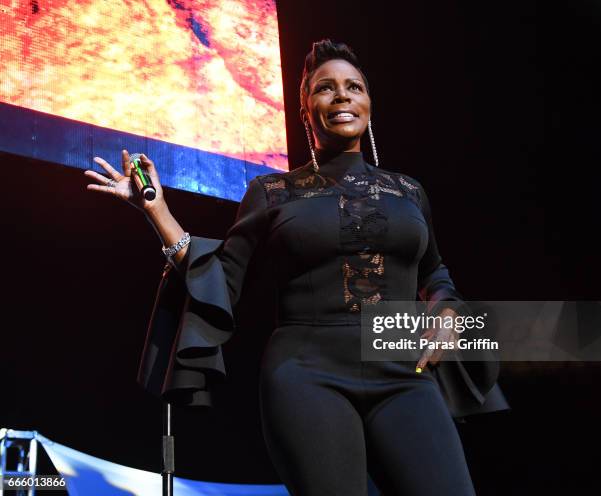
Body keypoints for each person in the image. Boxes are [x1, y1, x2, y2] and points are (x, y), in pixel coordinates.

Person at [85, 39, 509, 496]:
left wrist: (446, 313)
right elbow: (222, 280)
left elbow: (435, 273)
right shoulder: (272, 191)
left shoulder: (407, 191)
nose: (342, 95)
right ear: (306, 110)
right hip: (306, 372)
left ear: (369, 103)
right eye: (326, 88)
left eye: (354, 87)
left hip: (404, 370)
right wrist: (157, 212)